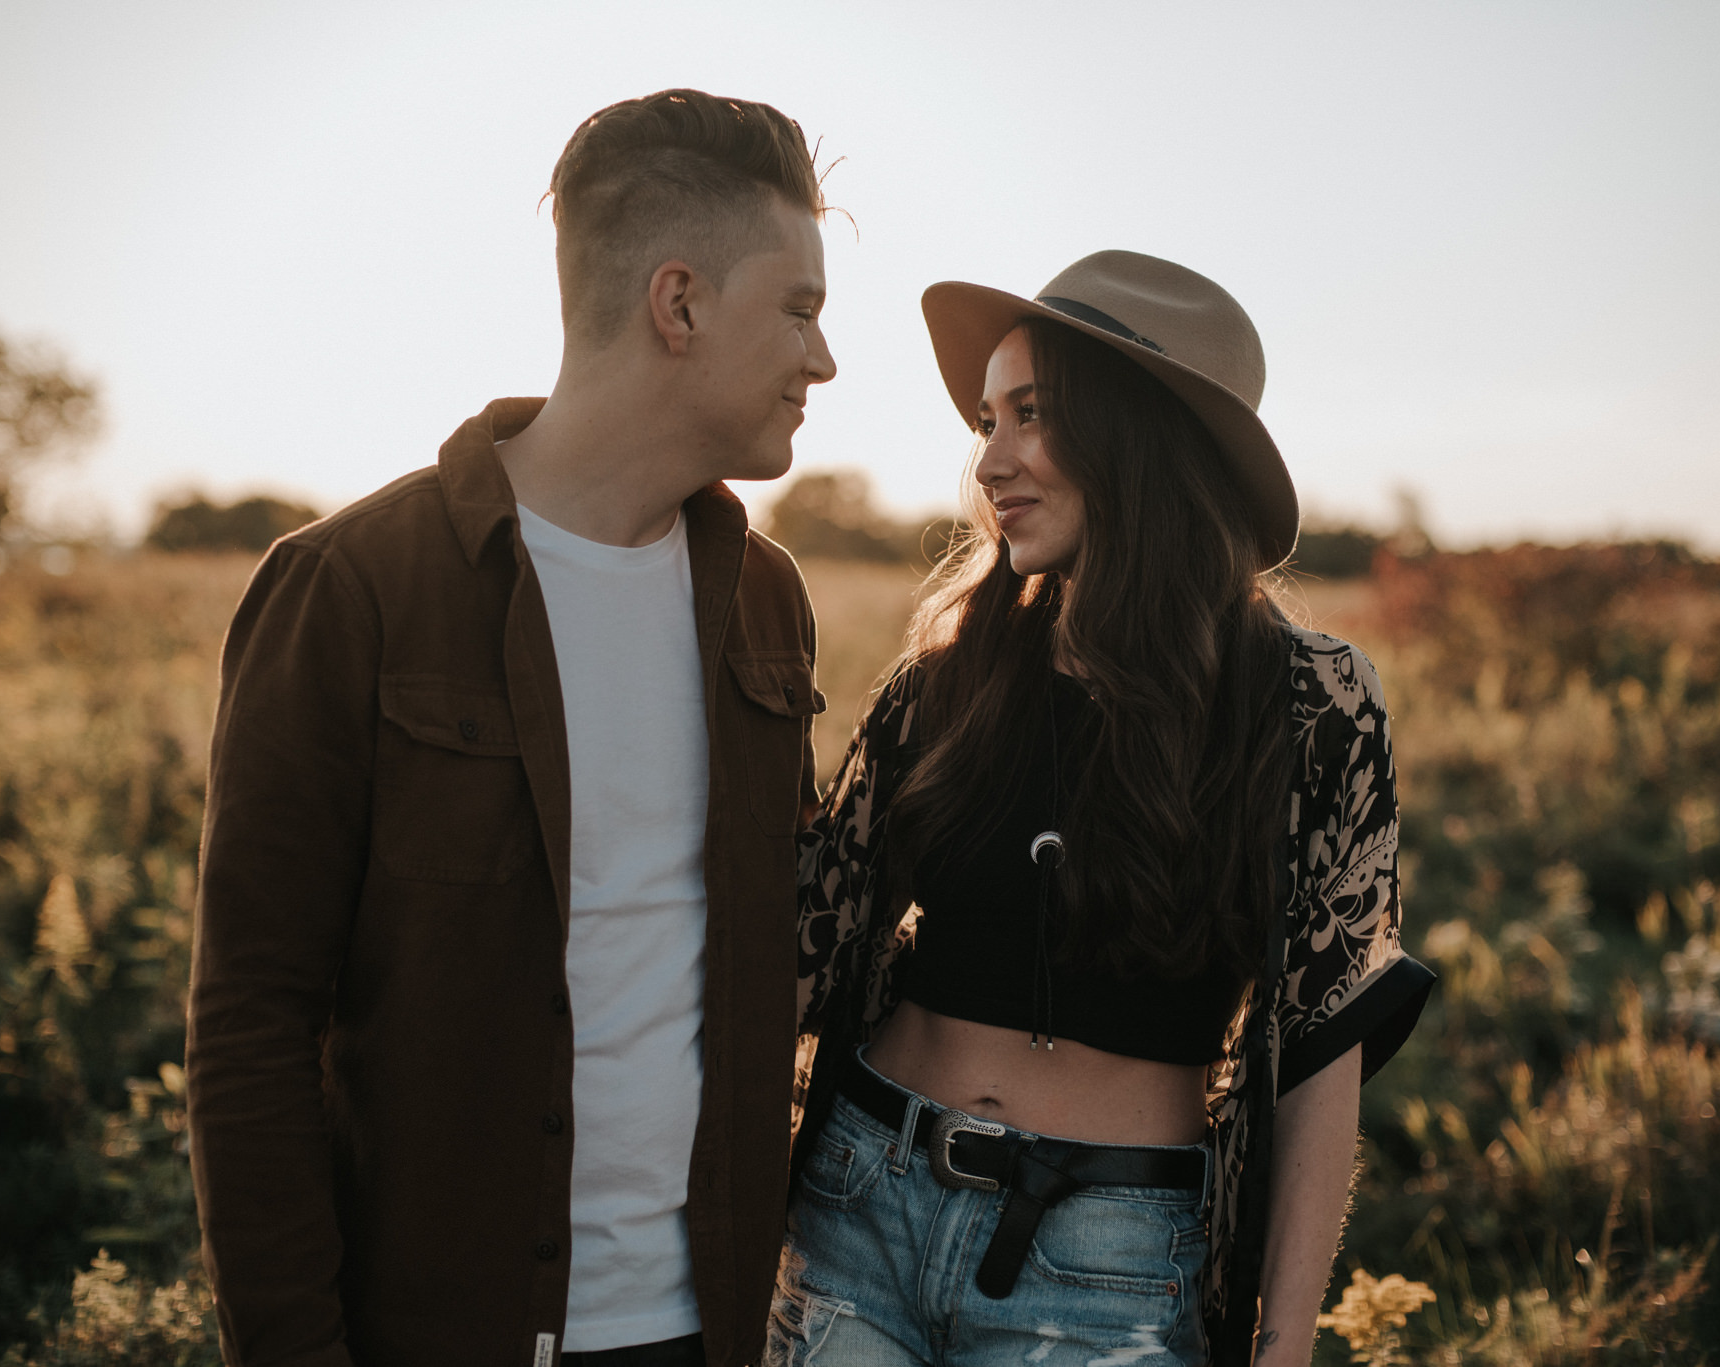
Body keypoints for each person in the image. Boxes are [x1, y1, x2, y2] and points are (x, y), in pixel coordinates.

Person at [187, 88, 837, 1367]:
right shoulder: (351, 587)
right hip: (440, 1330)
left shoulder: (766, 601)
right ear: (680, 302)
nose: (822, 359)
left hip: (702, 1332)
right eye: (802, 310)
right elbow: (250, 1024)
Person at [774, 251, 1435, 1367]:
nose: (988, 460)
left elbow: (1324, 1046)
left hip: (1110, 1256)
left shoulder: (1308, 705)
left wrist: (1284, 1341)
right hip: (860, 1201)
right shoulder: (948, 674)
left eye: (1029, 414)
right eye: (985, 420)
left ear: (1137, 434)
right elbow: (804, 942)